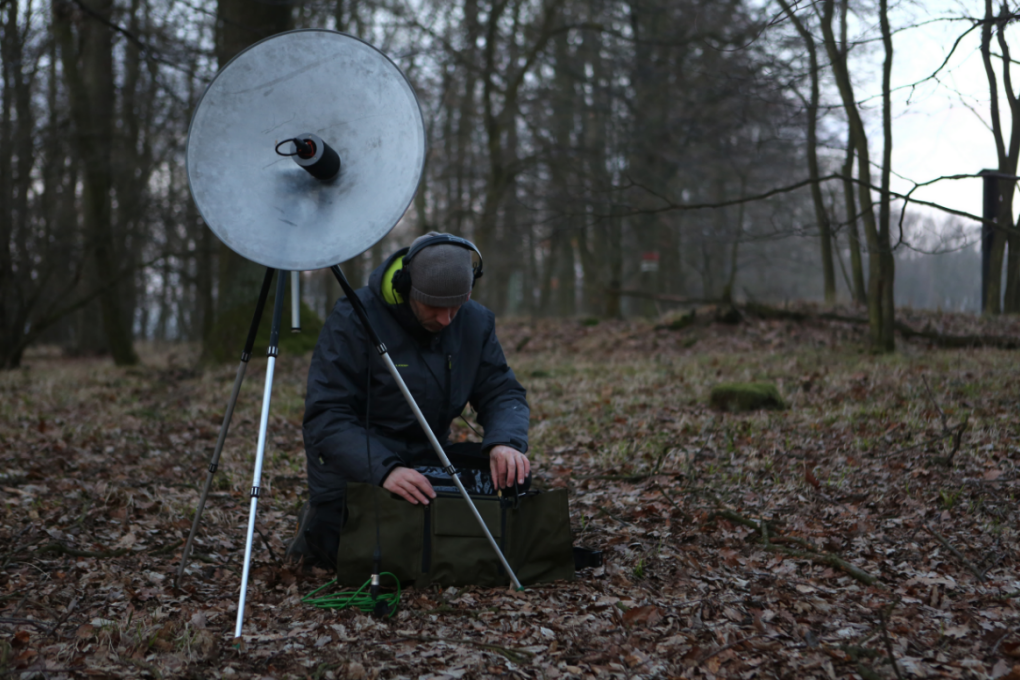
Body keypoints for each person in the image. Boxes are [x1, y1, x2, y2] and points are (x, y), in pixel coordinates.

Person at [288, 232, 532, 568]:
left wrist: (505, 442)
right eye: (435, 306)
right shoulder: (353, 317)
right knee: (351, 556)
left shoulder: (475, 322)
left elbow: (502, 391)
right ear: (406, 290)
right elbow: (327, 415)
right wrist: (385, 470)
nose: (447, 318)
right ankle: (317, 522)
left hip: (427, 457)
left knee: (504, 490)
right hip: (359, 467)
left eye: (457, 305)